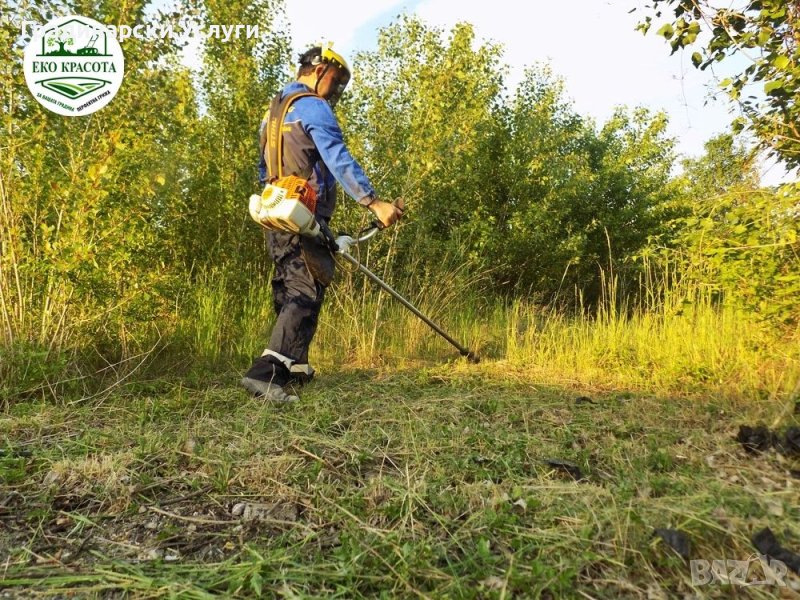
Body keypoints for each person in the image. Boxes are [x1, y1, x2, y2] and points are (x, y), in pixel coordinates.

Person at [240, 43, 403, 403]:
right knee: (304, 291)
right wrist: (374, 203)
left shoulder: (273, 113)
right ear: (319, 70)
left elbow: (263, 170)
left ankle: (295, 365)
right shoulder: (313, 106)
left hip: (276, 208)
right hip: (301, 212)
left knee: (288, 286)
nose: (337, 91)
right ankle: (266, 375)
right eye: (337, 82)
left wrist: (275, 196)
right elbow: (337, 157)